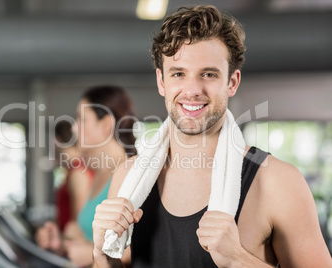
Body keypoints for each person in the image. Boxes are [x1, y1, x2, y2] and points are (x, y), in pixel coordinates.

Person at [92, 5, 332, 268]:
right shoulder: (128, 176)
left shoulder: (278, 182)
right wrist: (101, 255)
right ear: (162, 81)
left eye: (208, 74)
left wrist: (237, 259)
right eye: (179, 74)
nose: (193, 90)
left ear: (232, 82)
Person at [39, 85, 137, 267]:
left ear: (106, 124)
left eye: (82, 119)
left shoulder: (130, 174)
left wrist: (93, 252)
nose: (74, 128)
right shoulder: (99, 173)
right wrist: (61, 243)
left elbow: (147, 248)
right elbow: (89, 239)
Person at [36, 121, 93, 255]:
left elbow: (79, 222)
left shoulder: (78, 172)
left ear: (57, 140)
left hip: (74, 250)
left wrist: (65, 244)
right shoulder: (73, 169)